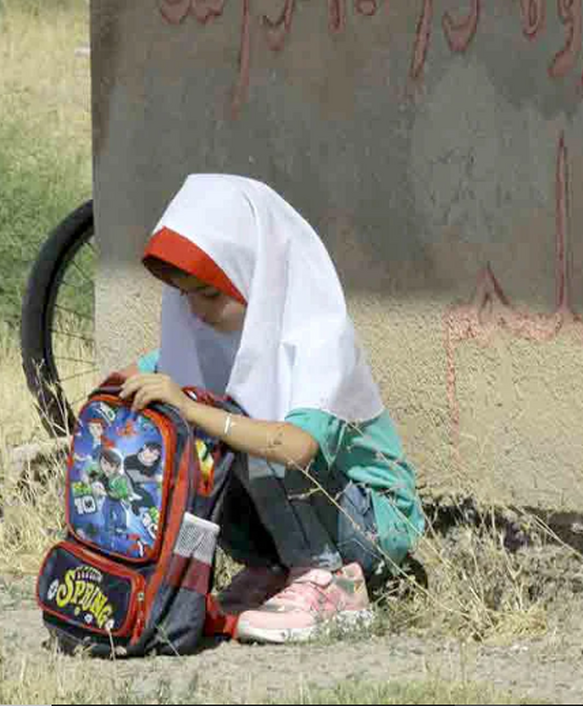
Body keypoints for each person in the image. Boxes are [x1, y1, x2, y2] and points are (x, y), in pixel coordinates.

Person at [117, 173, 425, 644]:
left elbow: (295, 448)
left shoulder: (319, 336)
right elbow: (140, 379)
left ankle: (328, 581)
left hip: (370, 527)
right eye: (185, 295)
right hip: (307, 516)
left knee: (252, 438)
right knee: (198, 447)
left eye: (209, 294)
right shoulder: (208, 338)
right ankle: (270, 568)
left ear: (255, 275)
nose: (195, 311)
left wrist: (195, 411)